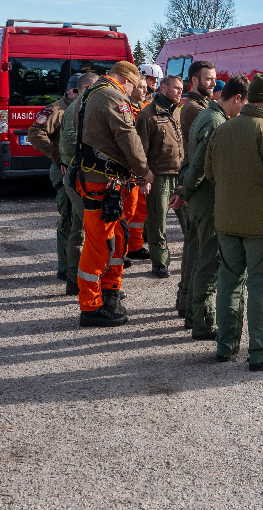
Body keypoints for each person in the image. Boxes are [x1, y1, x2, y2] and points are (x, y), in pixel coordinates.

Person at [204, 73, 263, 371]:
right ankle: (259, 352)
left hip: (227, 221)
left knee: (230, 281)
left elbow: (210, 174)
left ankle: (226, 346)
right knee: (261, 285)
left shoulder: (222, 129)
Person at [70, 60, 152, 327]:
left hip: (99, 180)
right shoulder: (113, 96)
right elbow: (127, 136)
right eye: (134, 86)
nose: (133, 92)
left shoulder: (87, 94)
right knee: (98, 243)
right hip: (103, 182)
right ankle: (91, 306)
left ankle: (110, 290)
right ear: (126, 80)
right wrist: (144, 170)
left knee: (116, 237)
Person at [179, 75, 249, 340]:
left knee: (196, 255)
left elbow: (189, 158)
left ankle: (190, 311)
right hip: (206, 199)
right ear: (237, 98)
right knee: (209, 262)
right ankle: (203, 323)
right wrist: (185, 192)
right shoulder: (216, 122)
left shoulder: (207, 114)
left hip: (199, 197)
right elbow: (197, 165)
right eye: (246, 103)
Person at [172, 60, 216, 323]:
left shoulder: (199, 106)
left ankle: (186, 300)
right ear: (195, 81)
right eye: (208, 79)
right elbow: (199, 156)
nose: (213, 82)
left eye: (213, 78)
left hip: (192, 181)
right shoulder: (194, 109)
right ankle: (189, 303)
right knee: (196, 247)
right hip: (195, 184)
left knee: (193, 245)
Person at [27, 74, 79, 286]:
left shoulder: (85, 107)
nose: (77, 95)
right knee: (67, 218)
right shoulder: (55, 110)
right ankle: (65, 268)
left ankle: (75, 266)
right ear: (69, 91)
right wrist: (59, 157)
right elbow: (35, 133)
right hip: (63, 170)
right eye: (75, 91)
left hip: (80, 170)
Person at [135, 74, 185, 281]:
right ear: (163, 88)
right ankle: (160, 262)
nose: (180, 92)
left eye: (181, 88)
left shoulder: (178, 111)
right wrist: (143, 179)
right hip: (159, 176)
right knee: (158, 221)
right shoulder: (147, 115)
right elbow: (140, 150)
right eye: (176, 88)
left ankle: (192, 256)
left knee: (188, 219)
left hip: (180, 173)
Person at [59, 72, 100, 295]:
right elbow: (70, 144)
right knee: (88, 229)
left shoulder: (77, 107)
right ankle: (83, 282)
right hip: (82, 176)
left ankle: (74, 279)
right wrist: (74, 163)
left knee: (79, 227)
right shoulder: (80, 109)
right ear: (86, 88)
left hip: (76, 174)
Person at [124, 75, 150, 261]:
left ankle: (135, 245)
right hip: (129, 168)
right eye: (140, 87)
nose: (145, 90)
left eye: (144, 87)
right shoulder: (124, 110)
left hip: (143, 166)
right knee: (127, 210)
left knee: (140, 211)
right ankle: (122, 251)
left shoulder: (145, 109)